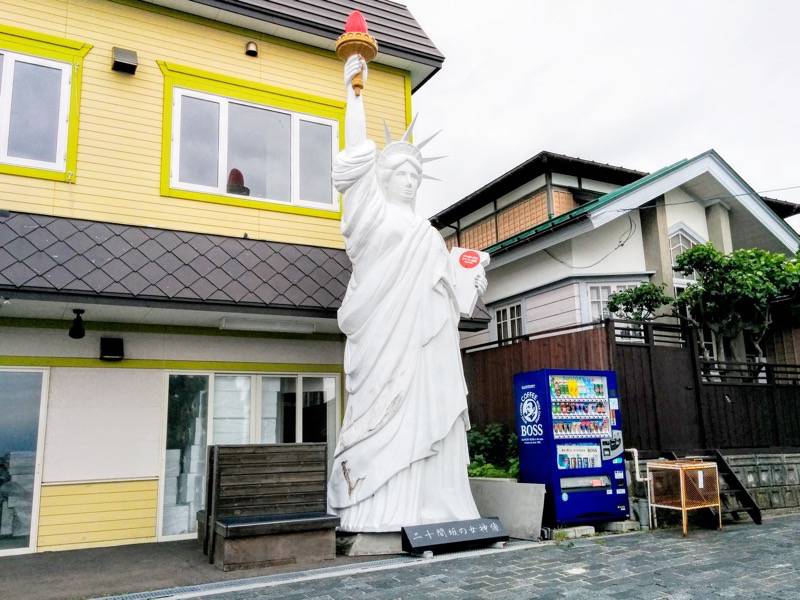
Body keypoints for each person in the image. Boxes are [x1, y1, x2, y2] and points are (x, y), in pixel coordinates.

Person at [327, 55, 487, 532]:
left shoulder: (425, 230)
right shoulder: (372, 216)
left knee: (431, 412)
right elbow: (357, 157)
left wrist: (468, 281)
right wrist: (354, 92)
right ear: (382, 179)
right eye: (401, 174)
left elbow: (444, 291)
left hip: (427, 344)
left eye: (416, 177)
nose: (410, 181)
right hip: (382, 336)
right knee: (379, 413)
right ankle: (378, 505)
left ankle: (434, 504)